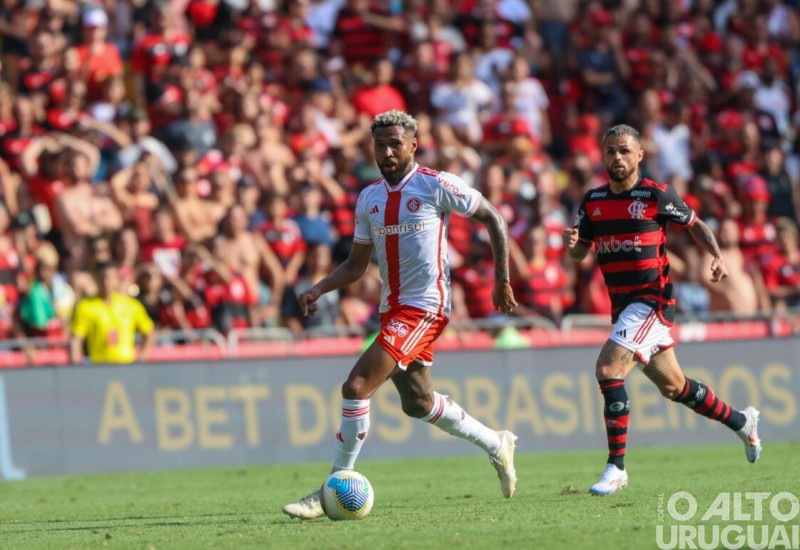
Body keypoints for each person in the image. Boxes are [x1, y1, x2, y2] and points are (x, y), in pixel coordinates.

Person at [282, 110, 519, 520]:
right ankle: (495, 443)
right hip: (393, 308)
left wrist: (502, 278)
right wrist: (319, 288)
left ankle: (332, 486)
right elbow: (357, 265)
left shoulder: (436, 184)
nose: (387, 152)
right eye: (380, 145)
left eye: (395, 144)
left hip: (427, 307)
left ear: (413, 144)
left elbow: (493, 218)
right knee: (418, 401)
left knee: (356, 387)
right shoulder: (369, 198)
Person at [562, 124, 761, 496]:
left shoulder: (655, 194)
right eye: (610, 152)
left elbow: (695, 224)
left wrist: (716, 256)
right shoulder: (592, 201)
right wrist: (574, 245)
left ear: (640, 155)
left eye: (624, 151)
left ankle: (616, 468)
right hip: (624, 308)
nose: (616, 158)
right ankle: (742, 421)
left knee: (607, 368)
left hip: (652, 302)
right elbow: (579, 253)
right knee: (675, 387)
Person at [69, 262, 155, 364]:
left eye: (110, 278)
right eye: (102, 278)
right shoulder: (86, 306)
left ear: (117, 279)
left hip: (126, 365)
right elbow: (76, 337)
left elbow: (149, 332)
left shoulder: (131, 306)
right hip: (99, 367)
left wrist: (141, 358)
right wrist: (75, 363)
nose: (106, 282)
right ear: (96, 279)